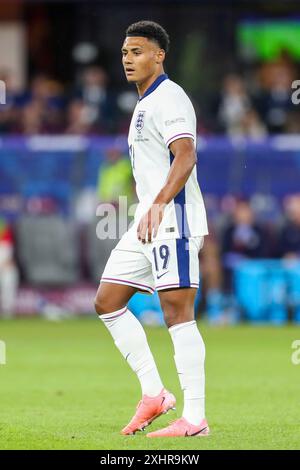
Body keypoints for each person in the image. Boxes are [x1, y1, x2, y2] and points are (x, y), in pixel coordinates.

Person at [94, 21, 209, 438]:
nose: (128, 58)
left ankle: (195, 418)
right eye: (125, 52)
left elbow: (187, 155)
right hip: (146, 218)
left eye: (137, 51)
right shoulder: (143, 103)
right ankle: (154, 394)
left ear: (158, 55)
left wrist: (159, 204)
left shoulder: (169, 97)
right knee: (107, 301)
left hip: (172, 218)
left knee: (177, 313)